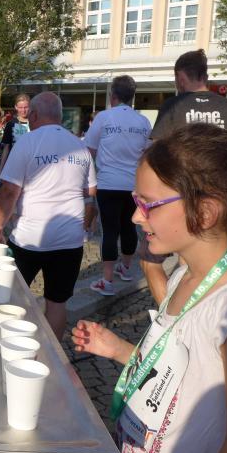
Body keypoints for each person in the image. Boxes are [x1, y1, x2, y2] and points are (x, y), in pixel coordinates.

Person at [72, 123, 227, 453]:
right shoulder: (182, 277)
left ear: (204, 212)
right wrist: (119, 349)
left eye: (147, 204)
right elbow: (176, 371)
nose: (136, 217)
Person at [142, 49, 227, 305]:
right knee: (210, 257)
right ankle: (206, 305)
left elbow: (156, 153)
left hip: (182, 195)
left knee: (155, 259)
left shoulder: (174, 106)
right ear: (204, 75)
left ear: (180, 77)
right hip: (222, 197)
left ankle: (176, 314)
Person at [0, 93, 96, 341]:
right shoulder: (79, 145)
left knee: (13, 297)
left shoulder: (27, 142)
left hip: (29, 237)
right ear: (59, 116)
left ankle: (8, 346)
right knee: (57, 302)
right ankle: (54, 356)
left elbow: (9, 192)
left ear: (35, 115)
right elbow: (91, 192)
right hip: (69, 239)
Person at [85, 75, 151, 296]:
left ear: (113, 96)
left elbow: (89, 150)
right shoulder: (143, 121)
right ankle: (126, 268)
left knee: (110, 231)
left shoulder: (104, 117)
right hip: (133, 184)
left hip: (108, 183)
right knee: (129, 227)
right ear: (132, 97)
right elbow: (146, 153)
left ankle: (107, 280)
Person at [0, 93, 31, 171]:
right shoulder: (11, 124)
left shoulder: (35, 123)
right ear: (16, 107)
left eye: (26, 107)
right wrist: (1, 169)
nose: (23, 110)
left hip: (32, 165)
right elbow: (6, 148)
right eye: (20, 107)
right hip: (15, 166)